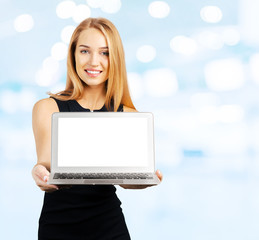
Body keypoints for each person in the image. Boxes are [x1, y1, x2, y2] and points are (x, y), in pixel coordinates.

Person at [31, 17, 163, 239]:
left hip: (109, 226)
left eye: (105, 53)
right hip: (58, 227)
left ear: (115, 59)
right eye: (85, 51)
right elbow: (45, 165)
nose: (94, 61)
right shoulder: (47, 108)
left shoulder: (128, 117)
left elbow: (125, 180)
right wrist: (40, 173)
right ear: (73, 55)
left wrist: (142, 179)